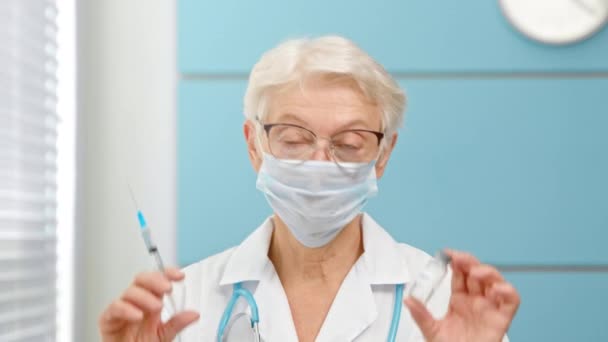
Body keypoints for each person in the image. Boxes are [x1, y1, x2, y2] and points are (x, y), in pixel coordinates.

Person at [99, 35, 520, 342]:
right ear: (254, 145)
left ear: (383, 154)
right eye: (294, 139)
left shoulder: (442, 297)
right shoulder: (182, 302)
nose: (319, 164)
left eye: (349, 143)